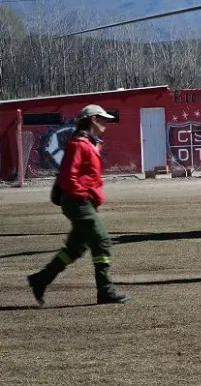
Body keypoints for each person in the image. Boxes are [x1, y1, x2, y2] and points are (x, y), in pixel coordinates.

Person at [28, 104, 130, 305]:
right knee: (101, 241)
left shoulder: (91, 144)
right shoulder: (79, 144)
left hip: (84, 202)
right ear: (93, 119)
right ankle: (105, 291)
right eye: (103, 119)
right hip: (78, 202)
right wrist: (83, 196)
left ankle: (40, 279)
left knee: (75, 248)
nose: (106, 123)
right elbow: (68, 178)